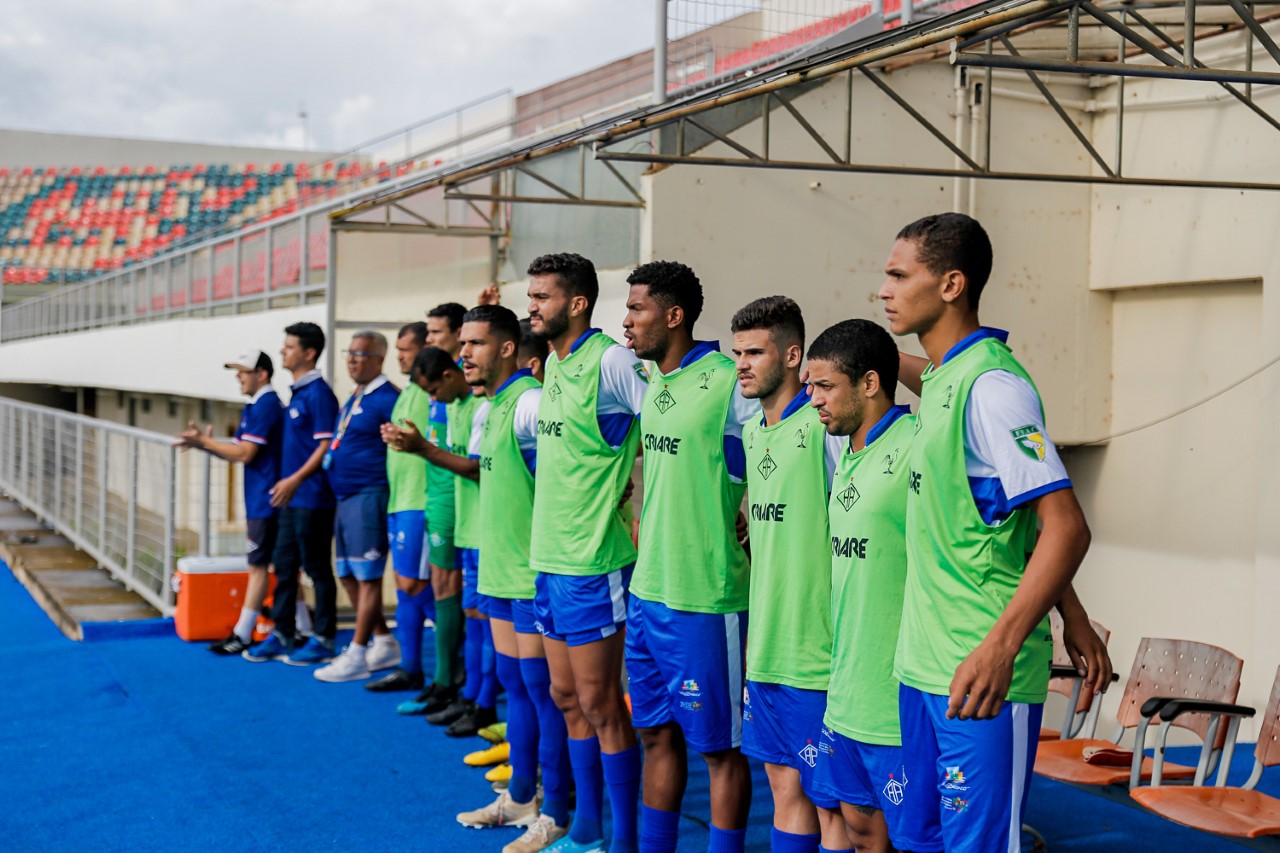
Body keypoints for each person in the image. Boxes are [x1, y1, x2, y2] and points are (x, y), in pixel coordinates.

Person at [879, 213, 1107, 852]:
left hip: (981, 671)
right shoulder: (944, 377)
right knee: (918, 839)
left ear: (952, 284)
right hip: (920, 668)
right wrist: (1075, 614)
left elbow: (1065, 527)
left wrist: (1001, 647)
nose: (884, 289)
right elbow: (1011, 523)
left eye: (899, 275)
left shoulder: (994, 389)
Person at [384, 305, 571, 853]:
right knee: (518, 689)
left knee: (544, 693)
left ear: (509, 348)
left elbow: (564, 482)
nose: (462, 354)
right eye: (462, 344)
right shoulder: (489, 409)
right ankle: (520, 796)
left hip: (530, 574)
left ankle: (555, 809)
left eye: (476, 344)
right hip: (496, 569)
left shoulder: (532, 404)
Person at [622, 260, 759, 853]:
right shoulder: (653, 381)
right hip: (647, 592)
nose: (625, 323)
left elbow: (779, 443)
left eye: (636, 310)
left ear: (673, 316)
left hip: (706, 597)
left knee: (721, 750)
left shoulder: (730, 379)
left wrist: (752, 502)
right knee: (653, 735)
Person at [526, 253, 647, 853]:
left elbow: (670, 426)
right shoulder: (554, 364)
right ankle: (587, 831)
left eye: (541, 297)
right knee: (566, 697)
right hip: (548, 561)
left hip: (594, 564)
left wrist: (641, 491)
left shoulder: (613, 361)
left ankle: (622, 840)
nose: (531, 307)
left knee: (602, 705)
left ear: (576, 303)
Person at [730, 298, 849, 853]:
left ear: (793, 355)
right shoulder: (755, 431)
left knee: (831, 804)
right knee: (782, 788)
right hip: (769, 647)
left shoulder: (827, 431)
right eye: (737, 353)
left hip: (817, 651)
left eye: (755, 351)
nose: (742, 364)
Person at [805, 319, 924, 853]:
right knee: (858, 831)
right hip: (846, 692)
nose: (813, 400)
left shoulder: (918, 444)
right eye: (810, 387)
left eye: (825, 386)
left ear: (871, 383)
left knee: (908, 840)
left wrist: (1074, 616)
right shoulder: (847, 455)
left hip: (896, 701)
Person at [244, 322, 341, 664]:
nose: (283, 351)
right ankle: (283, 631)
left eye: (289, 346)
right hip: (290, 498)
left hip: (312, 498)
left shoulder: (319, 394)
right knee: (284, 567)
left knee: (316, 569)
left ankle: (325, 637)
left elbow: (326, 446)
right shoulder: (298, 393)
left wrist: (295, 479)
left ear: (309, 353)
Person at [177, 350, 284, 656]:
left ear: (262, 374)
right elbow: (238, 448)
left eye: (244, 371)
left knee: (259, 566)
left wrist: (205, 443)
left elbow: (245, 453)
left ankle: (243, 633)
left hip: (267, 499)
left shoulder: (265, 405)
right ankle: (302, 625)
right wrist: (206, 445)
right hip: (262, 497)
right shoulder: (256, 405)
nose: (238, 376)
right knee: (280, 566)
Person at [312, 331, 402, 682]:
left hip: (369, 494)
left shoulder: (387, 397)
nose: (352, 359)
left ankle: (358, 652)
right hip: (344, 496)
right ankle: (382, 638)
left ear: (379, 358)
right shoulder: (356, 394)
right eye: (349, 352)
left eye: (360, 353)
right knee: (348, 574)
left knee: (367, 578)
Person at [368, 322, 435, 692]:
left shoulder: (431, 391)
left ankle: (453, 657)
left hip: (420, 500)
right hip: (400, 498)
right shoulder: (408, 390)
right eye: (398, 350)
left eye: (406, 350)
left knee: (415, 583)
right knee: (404, 586)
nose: (400, 357)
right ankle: (411, 667)